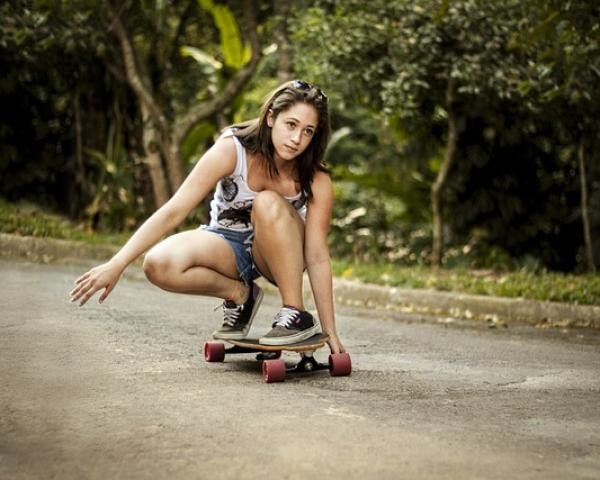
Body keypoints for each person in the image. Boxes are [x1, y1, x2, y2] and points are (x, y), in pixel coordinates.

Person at [70, 79, 345, 354]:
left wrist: (329, 331)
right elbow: (174, 210)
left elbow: (317, 254)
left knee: (268, 201)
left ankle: (294, 313)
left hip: (281, 256)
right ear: (271, 117)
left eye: (308, 131)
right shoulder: (233, 149)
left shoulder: (316, 178)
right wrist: (117, 264)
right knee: (158, 264)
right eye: (291, 125)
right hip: (229, 245)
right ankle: (241, 295)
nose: (297, 139)